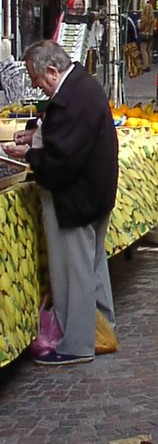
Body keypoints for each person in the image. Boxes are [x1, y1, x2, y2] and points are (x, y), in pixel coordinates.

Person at [4, 40, 118, 366]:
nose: (36, 87)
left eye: (37, 79)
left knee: (76, 270)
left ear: (52, 71)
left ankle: (78, 344)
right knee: (92, 266)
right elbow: (63, 135)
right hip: (95, 194)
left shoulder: (73, 98)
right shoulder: (80, 87)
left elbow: (62, 158)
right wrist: (35, 135)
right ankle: (103, 330)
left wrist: (29, 154)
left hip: (78, 198)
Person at [138, 0, 156, 71]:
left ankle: (145, 65)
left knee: (143, 50)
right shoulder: (152, 18)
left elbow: (141, 27)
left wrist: (138, 24)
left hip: (144, 34)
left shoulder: (144, 18)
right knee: (149, 50)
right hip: (151, 34)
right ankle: (149, 64)